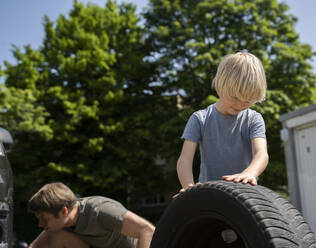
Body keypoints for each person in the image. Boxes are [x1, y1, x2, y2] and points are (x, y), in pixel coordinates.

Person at [176, 51, 269, 193]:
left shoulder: (254, 119)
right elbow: (185, 159)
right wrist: (188, 187)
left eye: (248, 100)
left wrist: (250, 173)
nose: (241, 105)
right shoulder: (200, 119)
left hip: (246, 193)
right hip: (211, 193)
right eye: (235, 98)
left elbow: (261, 154)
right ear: (220, 86)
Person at [27, 182, 155, 248]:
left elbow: (147, 230)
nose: (40, 224)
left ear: (64, 211)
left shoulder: (100, 211)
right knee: (55, 235)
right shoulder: (59, 223)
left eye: (44, 219)